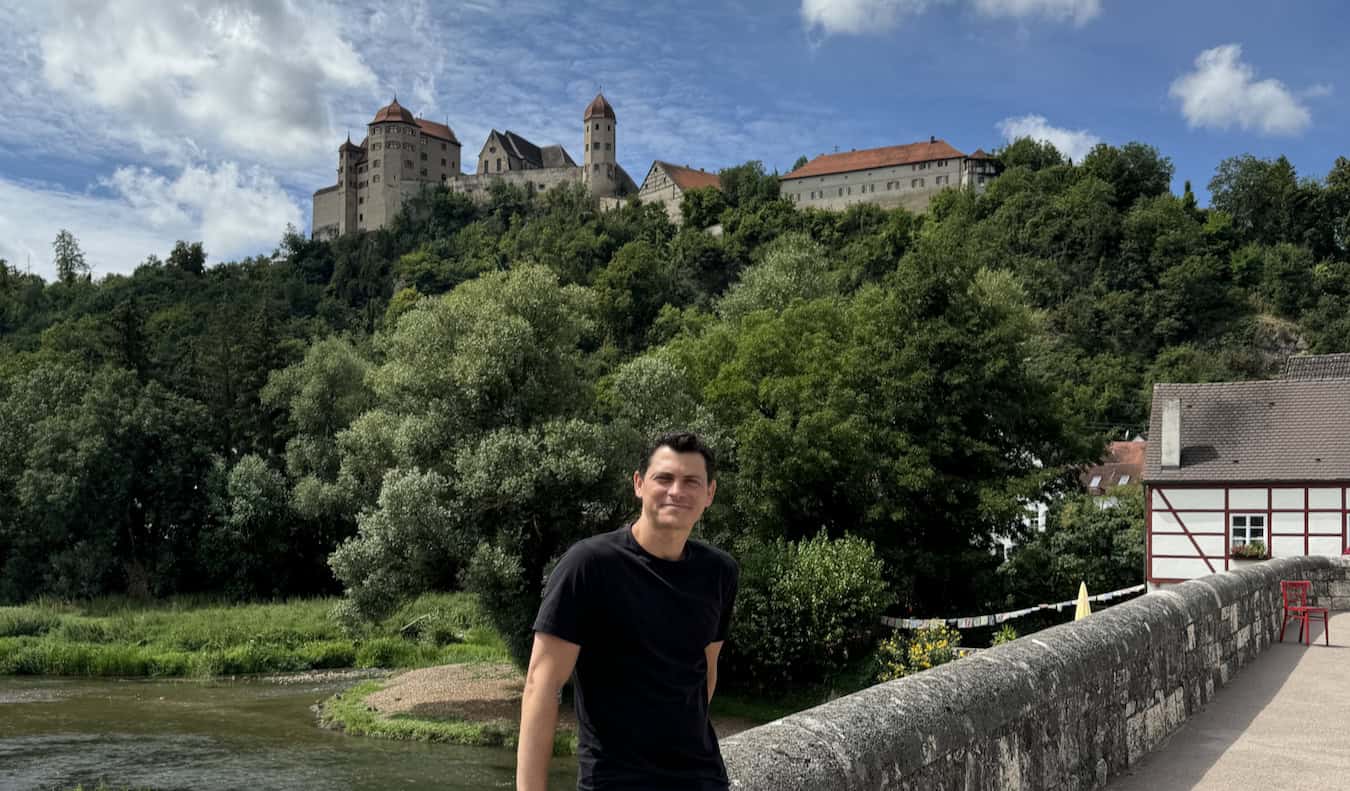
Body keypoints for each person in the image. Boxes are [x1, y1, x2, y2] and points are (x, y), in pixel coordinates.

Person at [516, 432, 739, 791]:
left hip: (702, 780)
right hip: (614, 781)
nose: (676, 491)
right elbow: (540, 687)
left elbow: (705, 672)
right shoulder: (588, 566)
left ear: (709, 493)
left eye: (691, 481)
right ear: (638, 484)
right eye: (663, 478)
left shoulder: (719, 572)